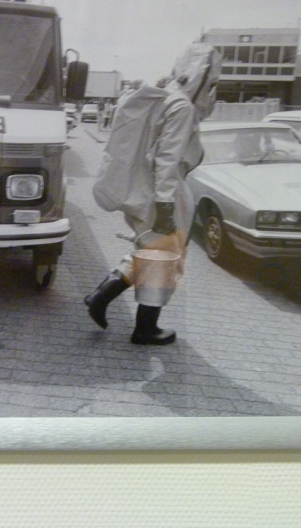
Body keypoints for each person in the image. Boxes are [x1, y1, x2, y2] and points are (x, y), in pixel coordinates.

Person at [84, 43, 221, 345]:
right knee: (163, 261)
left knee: (148, 251)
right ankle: (145, 329)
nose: (212, 91)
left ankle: (100, 296)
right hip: (164, 196)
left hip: (145, 192)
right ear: (200, 77)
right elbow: (167, 159)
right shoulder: (182, 107)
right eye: (211, 83)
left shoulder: (164, 97)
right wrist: (166, 206)